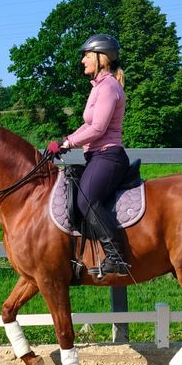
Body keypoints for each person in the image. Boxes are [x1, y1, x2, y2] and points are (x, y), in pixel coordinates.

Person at [48, 33, 131, 277]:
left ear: (100, 58)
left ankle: (116, 256)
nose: (83, 60)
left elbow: (98, 129)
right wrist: (64, 142)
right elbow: (87, 126)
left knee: (86, 200)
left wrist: (68, 143)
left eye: (86, 55)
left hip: (109, 156)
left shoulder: (108, 88)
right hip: (96, 156)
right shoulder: (99, 87)